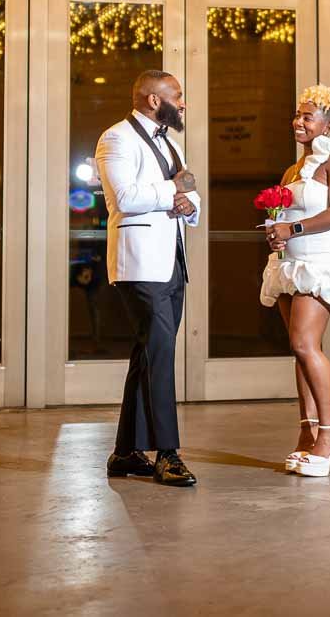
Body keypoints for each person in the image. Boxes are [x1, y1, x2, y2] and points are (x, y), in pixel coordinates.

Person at [96, 70, 202, 487]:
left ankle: (125, 452)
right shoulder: (117, 138)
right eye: (178, 95)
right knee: (159, 354)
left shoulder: (170, 143)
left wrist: (184, 203)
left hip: (172, 262)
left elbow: (192, 194)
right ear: (154, 100)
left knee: (147, 352)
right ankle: (168, 454)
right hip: (139, 264)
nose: (184, 103)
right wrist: (171, 191)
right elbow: (122, 197)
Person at [262, 84, 330, 478]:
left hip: (320, 261)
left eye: (308, 116)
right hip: (290, 264)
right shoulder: (293, 169)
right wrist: (276, 230)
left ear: (328, 124)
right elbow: (285, 217)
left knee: (305, 343)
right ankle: (307, 430)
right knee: (298, 349)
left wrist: (293, 226)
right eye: (298, 114)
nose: (298, 121)